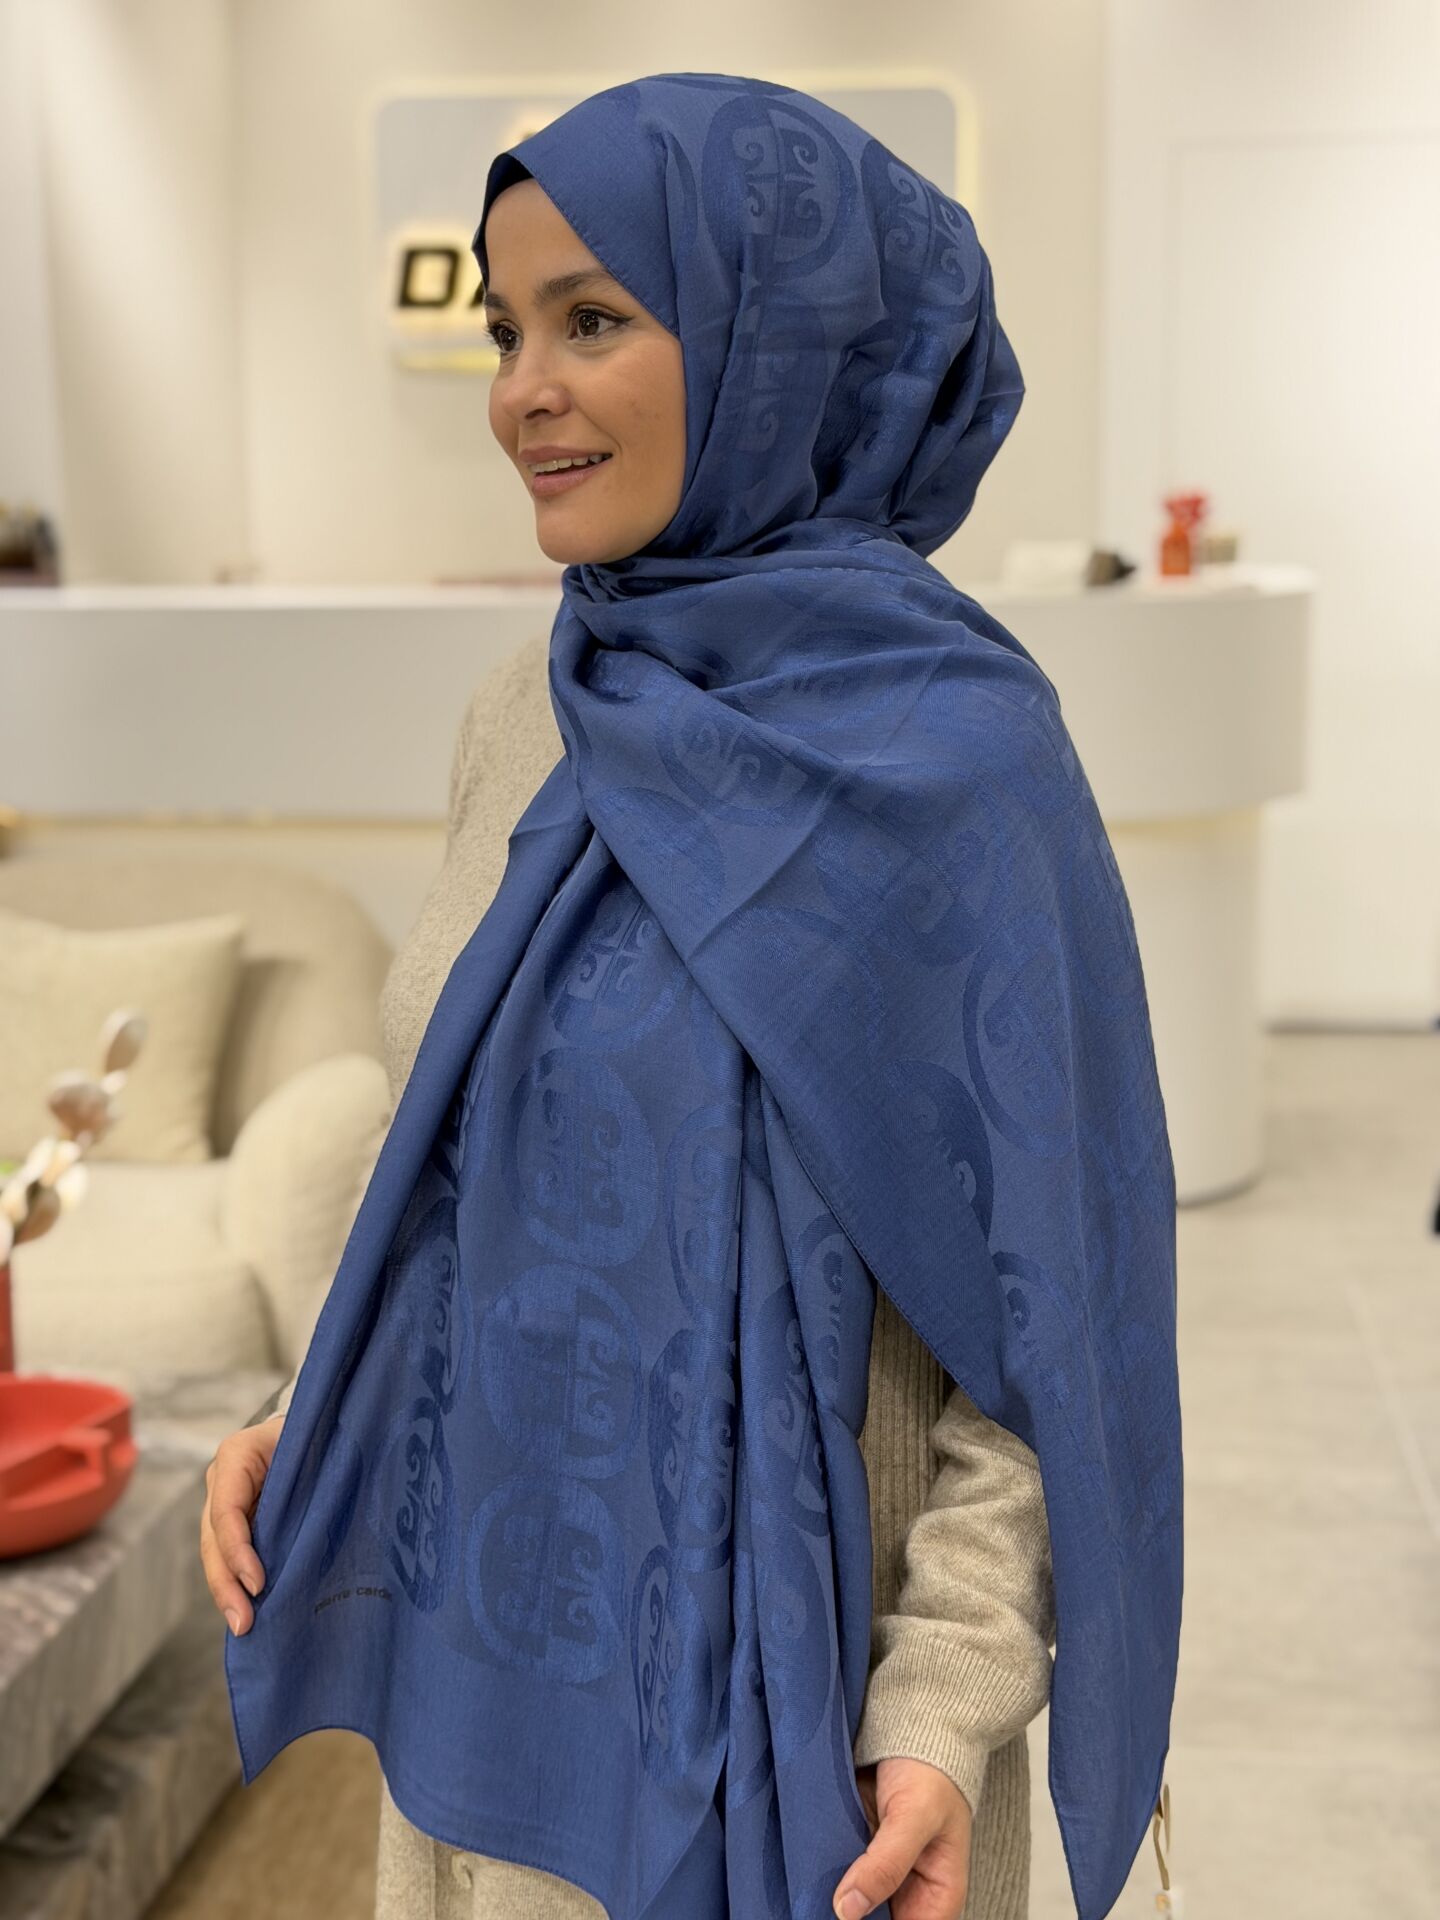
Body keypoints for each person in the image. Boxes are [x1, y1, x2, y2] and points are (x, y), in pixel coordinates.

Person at [203, 73, 1179, 1920]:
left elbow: (1056, 1319)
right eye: (505, 329)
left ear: (772, 346)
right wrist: (321, 1405)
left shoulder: (962, 768)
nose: (522, 390)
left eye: (591, 318)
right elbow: (453, 1156)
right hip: (492, 1688)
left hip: (821, 1766)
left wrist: (946, 1703)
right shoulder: (530, 709)